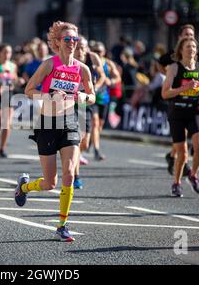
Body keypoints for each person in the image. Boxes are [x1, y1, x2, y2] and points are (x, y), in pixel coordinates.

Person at [14, 21, 95, 241]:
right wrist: (48, 97)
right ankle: (24, 187)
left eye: (74, 40)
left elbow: (92, 96)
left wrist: (83, 97)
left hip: (69, 122)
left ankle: (62, 225)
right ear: (57, 43)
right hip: (48, 124)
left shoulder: (82, 68)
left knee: (69, 173)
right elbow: (29, 90)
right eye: (67, 39)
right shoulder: (49, 65)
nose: (71, 43)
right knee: (50, 183)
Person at [162, 37, 199, 197]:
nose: (191, 49)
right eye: (187, 46)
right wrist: (183, 88)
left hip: (194, 110)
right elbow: (165, 93)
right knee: (182, 153)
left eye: (193, 47)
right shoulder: (174, 68)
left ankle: (193, 175)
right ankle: (176, 182)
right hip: (177, 112)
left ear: (196, 51)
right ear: (181, 50)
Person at [72, 36, 106, 189]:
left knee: (84, 143)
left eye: (82, 47)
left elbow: (102, 76)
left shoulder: (93, 58)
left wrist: (95, 87)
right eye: (77, 47)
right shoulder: (68, 59)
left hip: (86, 102)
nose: (80, 50)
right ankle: (75, 175)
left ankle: (74, 158)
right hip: (71, 103)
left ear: (87, 48)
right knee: (76, 141)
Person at [91, 41, 121, 160]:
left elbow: (117, 77)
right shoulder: (89, 62)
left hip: (104, 98)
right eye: (95, 51)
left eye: (100, 51)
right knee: (95, 122)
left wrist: (111, 82)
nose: (98, 53)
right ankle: (96, 151)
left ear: (104, 52)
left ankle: (91, 141)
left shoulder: (108, 64)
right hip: (91, 98)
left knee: (100, 126)